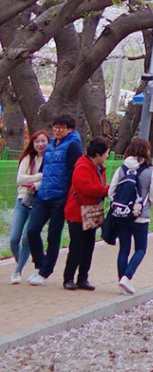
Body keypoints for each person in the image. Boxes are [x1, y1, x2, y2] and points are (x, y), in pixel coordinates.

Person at [22, 113, 82, 285]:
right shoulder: (50, 146)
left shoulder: (73, 146)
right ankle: (40, 263)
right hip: (43, 195)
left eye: (61, 127)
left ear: (70, 129)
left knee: (53, 236)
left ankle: (46, 272)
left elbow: (74, 172)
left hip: (60, 197)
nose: (57, 130)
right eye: (55, 127)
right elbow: (45, 169)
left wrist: (68, 195)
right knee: (32, 230)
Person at [104, 139, 153, 295]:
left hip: (122, 215)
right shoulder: (151, 171)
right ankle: (127, 277)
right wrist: (148, 203)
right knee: (141, 248)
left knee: (124, 249)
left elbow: (111, 192)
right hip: (140, 215)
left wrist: (122, 204)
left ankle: (121, 279)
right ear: (147, 151)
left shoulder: (122, 169)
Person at [61, 137, 110, 291]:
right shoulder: (83, 167)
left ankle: (83, 278)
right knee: (77, 245)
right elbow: (86, 188)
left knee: (88, 246)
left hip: (90, 212)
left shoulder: (97, 168)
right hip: (77, 212)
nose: (108, 156)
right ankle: (68, 278)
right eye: (106, 153)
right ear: (98, 154)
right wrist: (108, 189)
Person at [10, 127, 47, 283]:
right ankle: (21, 262)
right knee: (13, 238)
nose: (40, 144)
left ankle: (17, 271)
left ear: (48, 142)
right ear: (32, 143)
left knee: (27, 238)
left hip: (39, 203)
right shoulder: (28, 158)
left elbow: (49, 179)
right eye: (37, 141)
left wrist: (35, 181)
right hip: (22, 200)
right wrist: (39, 177)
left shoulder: (50, 159)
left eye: (43, 141)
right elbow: (20, 179)